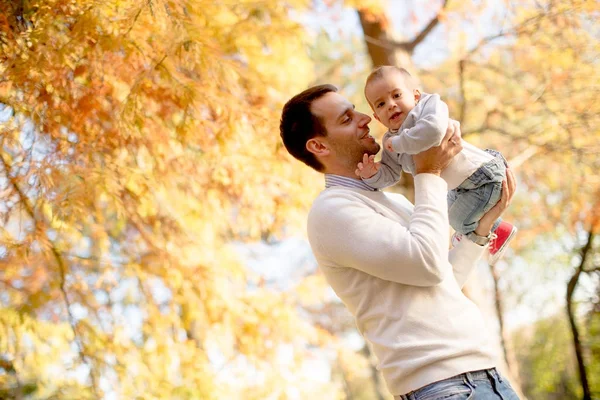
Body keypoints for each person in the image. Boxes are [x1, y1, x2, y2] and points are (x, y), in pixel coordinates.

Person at [279, 83, 520, 399]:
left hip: (486, 376)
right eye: (347, 118)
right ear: (319, 146)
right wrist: (428, 171)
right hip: (444, 388)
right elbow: (428, 266)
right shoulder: (331, 211)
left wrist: (481, 229)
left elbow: (444, 279)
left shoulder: (395, 204)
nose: (367, 118)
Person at [356, 66, 516, 265]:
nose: (390, 105)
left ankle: (471, 233)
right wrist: (373, 174)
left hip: (483, 174)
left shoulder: (428, 107)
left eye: (396, 95)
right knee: (446, 213)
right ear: (378, 117)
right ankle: (499, 230)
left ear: (415, 96)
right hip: (462, 186)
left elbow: (433, 132)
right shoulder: (390, 141)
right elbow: (391, 173)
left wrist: (399, 143)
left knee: (458, 221)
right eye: (381, 104)